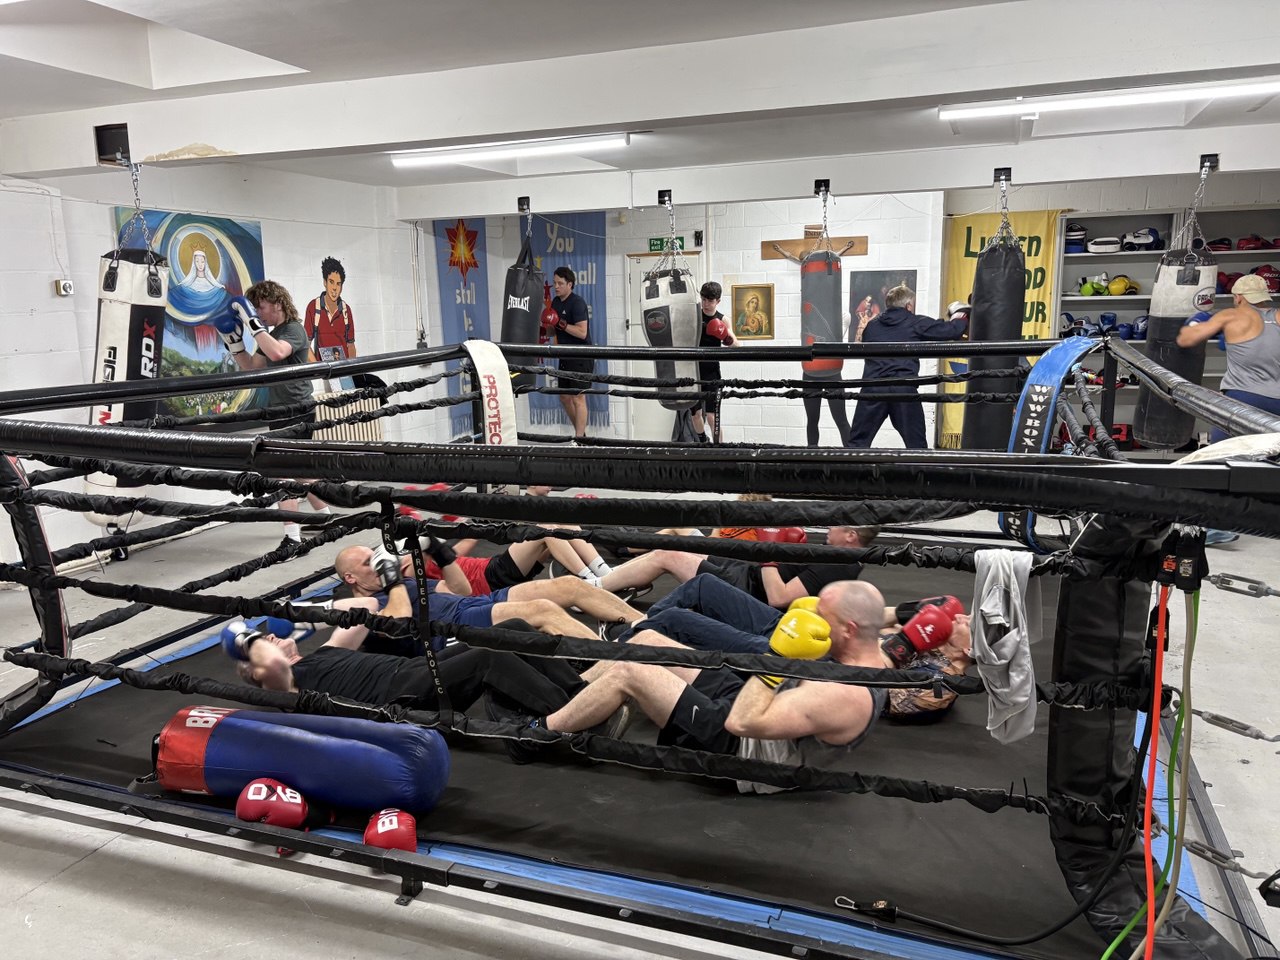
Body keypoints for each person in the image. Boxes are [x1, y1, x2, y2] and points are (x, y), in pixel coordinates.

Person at [540, 580, 889, 791]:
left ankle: (537, 732)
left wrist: (776, 661)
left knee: (629, 671)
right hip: (750, 699)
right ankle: (569, 696)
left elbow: (742, 722)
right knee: (647, 640)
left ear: (849, 630)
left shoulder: (846, 695)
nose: (814, 621)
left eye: (822, 618)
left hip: (743, 749)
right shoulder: (869, 658)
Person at [233, 565, 585, 725]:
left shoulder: (326, 651)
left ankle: (579, 693)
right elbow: (272, 669)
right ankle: (572, 718)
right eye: (264, 644)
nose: (271, 637)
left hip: (418, 670)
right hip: (402, 695)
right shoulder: (288, 689)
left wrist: (303, 616)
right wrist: (245, 641)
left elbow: (366, 607)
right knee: (489, 656)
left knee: (511, 629)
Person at [332, 545, 644, 648]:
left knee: (568, 585)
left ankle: (647, 627)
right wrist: (393, 582)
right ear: (350, 578)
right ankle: (613, 661)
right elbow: (397, 623)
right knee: (542, 610)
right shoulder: (360, 607)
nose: (379, 564)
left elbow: (460, 590)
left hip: (474, 604)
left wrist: (443, 555)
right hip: (451, 630)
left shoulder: (404, 584)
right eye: (368, 563)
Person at [215, 280, 329, 547]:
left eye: (260, 307)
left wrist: (253, 325)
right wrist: (234, 344)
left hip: (297, 409)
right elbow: (252, 367)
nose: (257, 313)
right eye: (254, 309)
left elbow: (277, 353)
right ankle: (327, 517)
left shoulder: (293, 329)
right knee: (299, 470)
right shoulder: (272, 333)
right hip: (280, 410)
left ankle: (292, 537)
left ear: (278, 303)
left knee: (281, 471)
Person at [1176, 273, 1280, 546]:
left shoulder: (1231, 315)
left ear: (1239, 297)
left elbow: (1187, 339)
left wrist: (1196, 321)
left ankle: (1212, 527)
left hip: (1242, 401)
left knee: (1217, 461)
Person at [597, 524, 877, 608]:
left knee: (667, 555)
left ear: (851, 536)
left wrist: (769, 552)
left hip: (747, 593)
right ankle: (610, 579)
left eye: (838, 525)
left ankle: (595, 588)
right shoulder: (841, 557)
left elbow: (778, 598)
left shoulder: (839, 565)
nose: (830, 526)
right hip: (748, 574)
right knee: (670, 547)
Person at [845, 284, 969, 449]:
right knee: (916, 446)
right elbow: (951, 331)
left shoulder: (872, 326)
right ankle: (919, 467)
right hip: (902, 389)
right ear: (908, 305)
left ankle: (850, 467)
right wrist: (961, 313)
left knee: (857, 445)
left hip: (873, 388)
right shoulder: (915, 322)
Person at [544, 266, 591, 438]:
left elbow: (582, 332)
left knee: (578, 397)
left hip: (580, 356)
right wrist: (545, 325)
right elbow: (552, 332)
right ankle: (582, 436)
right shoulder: (556, 302)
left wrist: (561, 323)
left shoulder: (577, 303)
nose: (556, 287)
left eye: (560, 283)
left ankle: (579, 440)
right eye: (555, 283)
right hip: (565, 355)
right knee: (564, 397)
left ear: (569, 284)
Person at [692, 281, 736, 442]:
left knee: (712, 416)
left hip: (711, 372)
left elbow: (737, 345)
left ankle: (719, 449)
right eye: (703, 299)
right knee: (696, 414)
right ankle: (703, 441)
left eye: (710, 300)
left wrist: (725, 336)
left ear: (718, 301)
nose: (705, 304)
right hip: (693, 371)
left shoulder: (723, 319)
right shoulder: (694, 314)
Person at [303, 256, 357, 361]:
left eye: (338, 284)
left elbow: (351, 345)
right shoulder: (313, 307)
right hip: (323, 369)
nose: (334, 288)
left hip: (343, 368)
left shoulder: (346, 310)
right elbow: (306, 346)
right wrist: (318, 368)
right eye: (331, 282)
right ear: (325, 282)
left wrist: (351, 368)